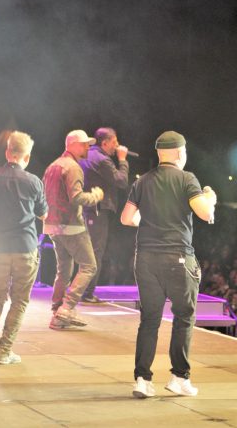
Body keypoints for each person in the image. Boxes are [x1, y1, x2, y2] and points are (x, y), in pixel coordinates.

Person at [121, 130, 216, 399]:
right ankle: (179, 378)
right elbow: (204, 213)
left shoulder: (142, 181)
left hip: (145, 259)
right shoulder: (187, 179)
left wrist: (150, 223)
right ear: (179, 153)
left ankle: (142, 380)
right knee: (183, 317)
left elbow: (127, 218)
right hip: (178, 257)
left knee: (149, 320)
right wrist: (210, 198)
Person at [0, 131, 48, 364]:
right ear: (27, 157)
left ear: (7, 153)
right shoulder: (33, 181)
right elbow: (43, 213)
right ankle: (4, 352)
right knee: (20, 300)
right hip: (25, 247)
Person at [43, 130, 104, 330]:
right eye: (85, 144)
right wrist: (95, 196)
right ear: (73, 145)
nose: (88, 147)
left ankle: (57, 311)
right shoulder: (73, 167)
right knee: (89, 266)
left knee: (64, 270)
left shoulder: (52, 166)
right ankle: (66, 308)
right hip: (71, 226)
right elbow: (76, 197)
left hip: (52, 225)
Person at [79, 127, 130, 302]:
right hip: (97, 210)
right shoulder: (103, 160)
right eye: (115, 142)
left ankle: (80, 290)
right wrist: (122, 160)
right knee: (95, 251)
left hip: (85, 208)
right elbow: (121, 181)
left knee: (85, 251)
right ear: (105, 143)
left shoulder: (86, 155)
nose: (117, 145)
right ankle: (86, 293)